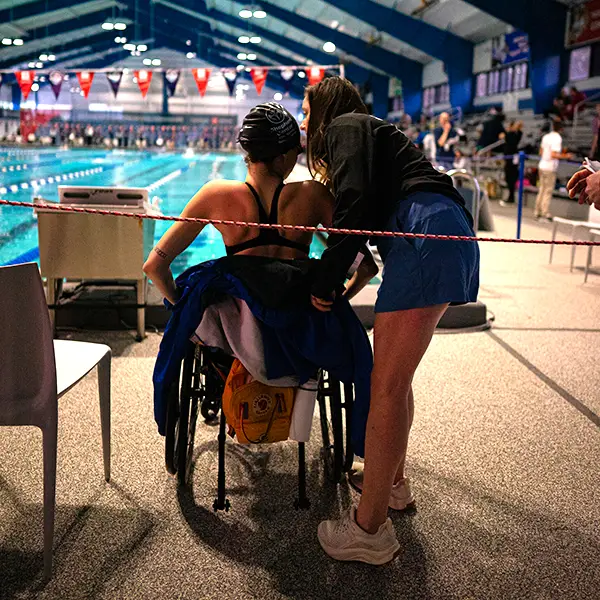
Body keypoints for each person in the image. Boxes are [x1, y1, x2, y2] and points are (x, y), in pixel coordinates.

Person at [301, 77, 480, 564]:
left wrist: (322, 280)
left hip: (425, 233)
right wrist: (348, 276)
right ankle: (393, 486)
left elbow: (354, 205)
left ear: (325, 108)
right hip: (435, 232)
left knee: (384, 386)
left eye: (306, 108)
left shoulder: (345, 125)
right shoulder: (373, 132)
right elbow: (367, 241)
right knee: (395, 382)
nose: (304, 120)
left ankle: (370, 529)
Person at [534, 121, 571, 220]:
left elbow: (541, 152)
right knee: (548, 191)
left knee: (542, 189)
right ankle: (544, 212)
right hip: (550, 167)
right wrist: (565, 156)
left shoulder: (546, 137)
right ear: (561, 129)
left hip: (542, 165)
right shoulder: (557, 138)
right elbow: (553, 155)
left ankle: (537, 211)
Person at [502, 120, 524, 204]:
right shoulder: (509, 135)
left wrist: (517, 128)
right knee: (508, 178)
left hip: (512, 161)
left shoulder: (515, 135)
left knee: (511, 179)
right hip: (508, 160)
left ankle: (511, 197)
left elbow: (516, 137)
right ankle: (510, 196)